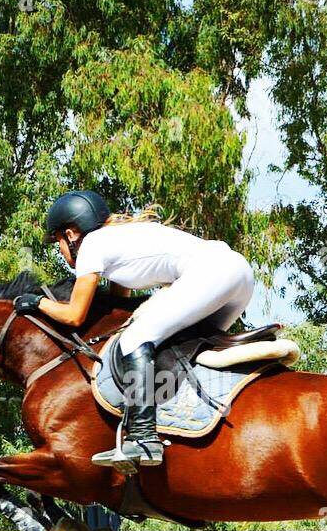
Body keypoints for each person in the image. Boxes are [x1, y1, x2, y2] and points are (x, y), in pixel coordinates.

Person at [13, 191, 255, 468]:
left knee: (135, 339)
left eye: (57, 241)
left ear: (70, 234)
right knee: (185, 347)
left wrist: (38, 302)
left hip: (212, 273)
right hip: (239, 276)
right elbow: (120, 301)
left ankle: (143, 437)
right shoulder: (117, 238)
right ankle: (186, 419)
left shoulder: (91, 245)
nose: (60, 249)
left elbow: (74, 316)